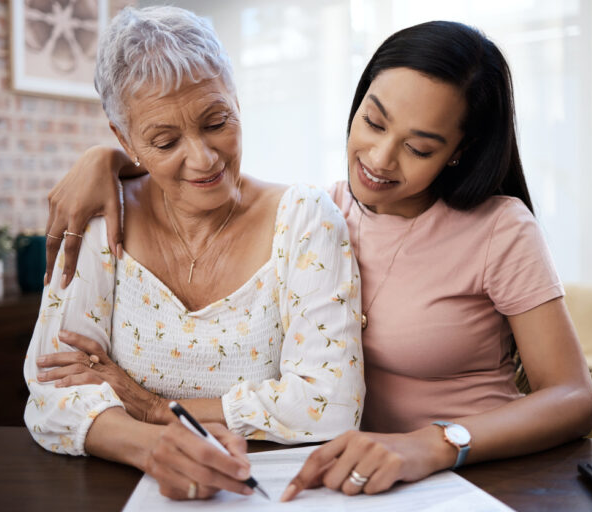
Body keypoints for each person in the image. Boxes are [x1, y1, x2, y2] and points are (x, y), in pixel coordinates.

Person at [44, 18, 592, 501]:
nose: (379, 160)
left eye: (420, 147)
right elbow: (204, 165)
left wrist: (434, 445)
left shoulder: (500, 228)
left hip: (474, 472)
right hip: (352, 475)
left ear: (460, 151)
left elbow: (573, 397)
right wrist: (108, 160)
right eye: (373, 122)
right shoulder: (324, 213)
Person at [23, 5, 364, 501]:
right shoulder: (100, 217)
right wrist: (150, 445)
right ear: (124, 140)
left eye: (216, 121)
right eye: (165, 141)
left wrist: (151, 406)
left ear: (237, 101)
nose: (204, 159)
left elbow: (329, 403)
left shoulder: (305, 218)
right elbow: (50, 390)